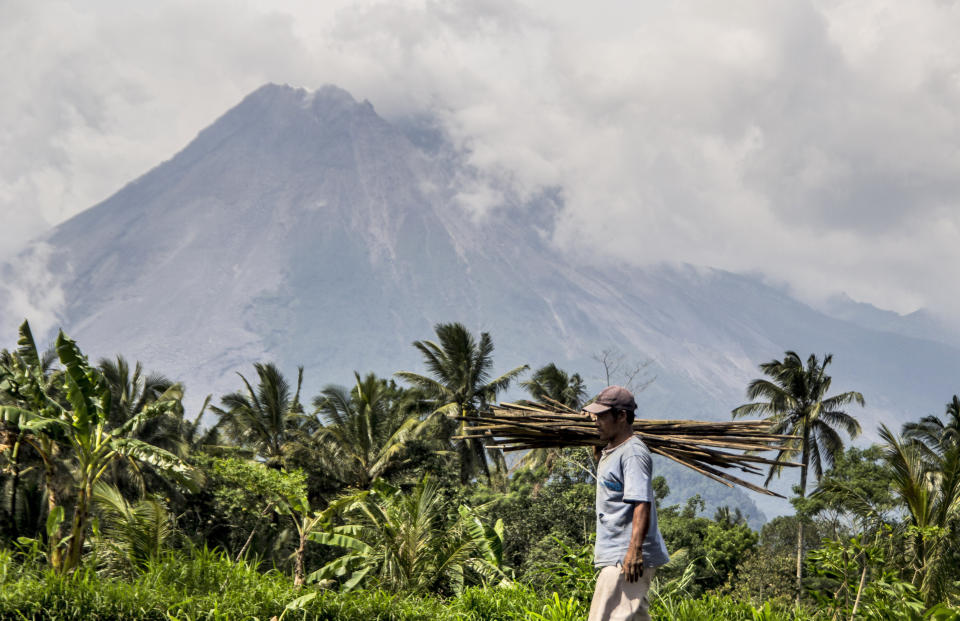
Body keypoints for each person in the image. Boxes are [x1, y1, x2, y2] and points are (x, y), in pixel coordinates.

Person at [584, 385, 670, 621]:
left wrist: (634, 552)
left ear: (622, 417)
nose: (596, 421)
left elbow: (641, 502)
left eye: (602, 416)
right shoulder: (612, 450)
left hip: (625, 556)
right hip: (616, 553)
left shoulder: (633, 453)